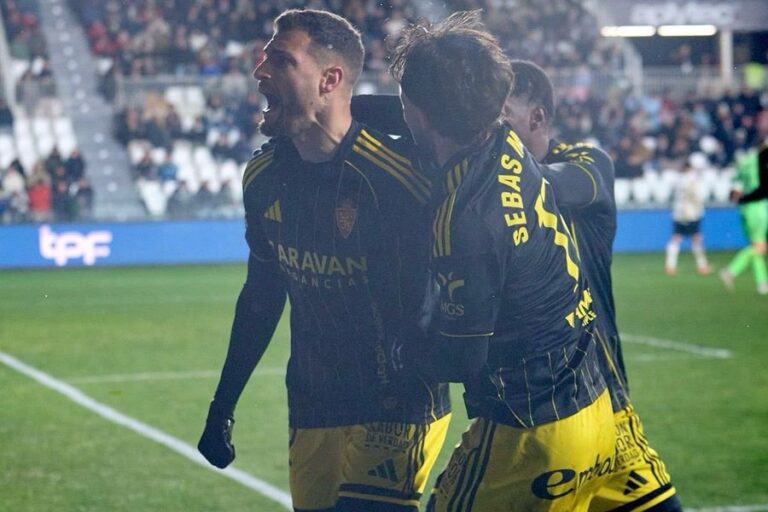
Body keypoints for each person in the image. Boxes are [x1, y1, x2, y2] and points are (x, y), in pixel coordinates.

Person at [197, 10, 450, 512]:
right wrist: (222, 405)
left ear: (330, 79)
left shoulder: (399, 179)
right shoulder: (263, 177)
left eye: (281, 60)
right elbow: (262, 296)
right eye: (265, 58)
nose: (259, 71)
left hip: (398, 401)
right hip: (313, 402)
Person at [390, 12, 614, 511]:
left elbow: (463, 357)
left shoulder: (463, 220)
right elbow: (412, 111)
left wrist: (401, 352)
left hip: (530, 434)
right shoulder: (505, 140)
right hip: (592, 410)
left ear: (421, 113)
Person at [504, 60, 683, 512]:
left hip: (609, 405)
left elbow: (554, 186)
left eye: (500, 119)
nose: (488, 134)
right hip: (534, 413)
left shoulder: (585, 162)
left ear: (538, 118)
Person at [720, 143, 768, 295]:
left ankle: (762, 283)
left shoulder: (746, 161)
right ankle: (730, 271)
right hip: (758, 207)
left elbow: (735, 179)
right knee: (759, 247)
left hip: (746, 208)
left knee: (757, 246)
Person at [664, 159, 711, 275]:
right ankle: (702, 266)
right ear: (690, 168)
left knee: (676, 238)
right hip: (691, 213)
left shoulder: (678, 179)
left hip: (678, 213)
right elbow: (695, 196)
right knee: (696, 238)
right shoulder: (692, 179)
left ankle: (670, 266)